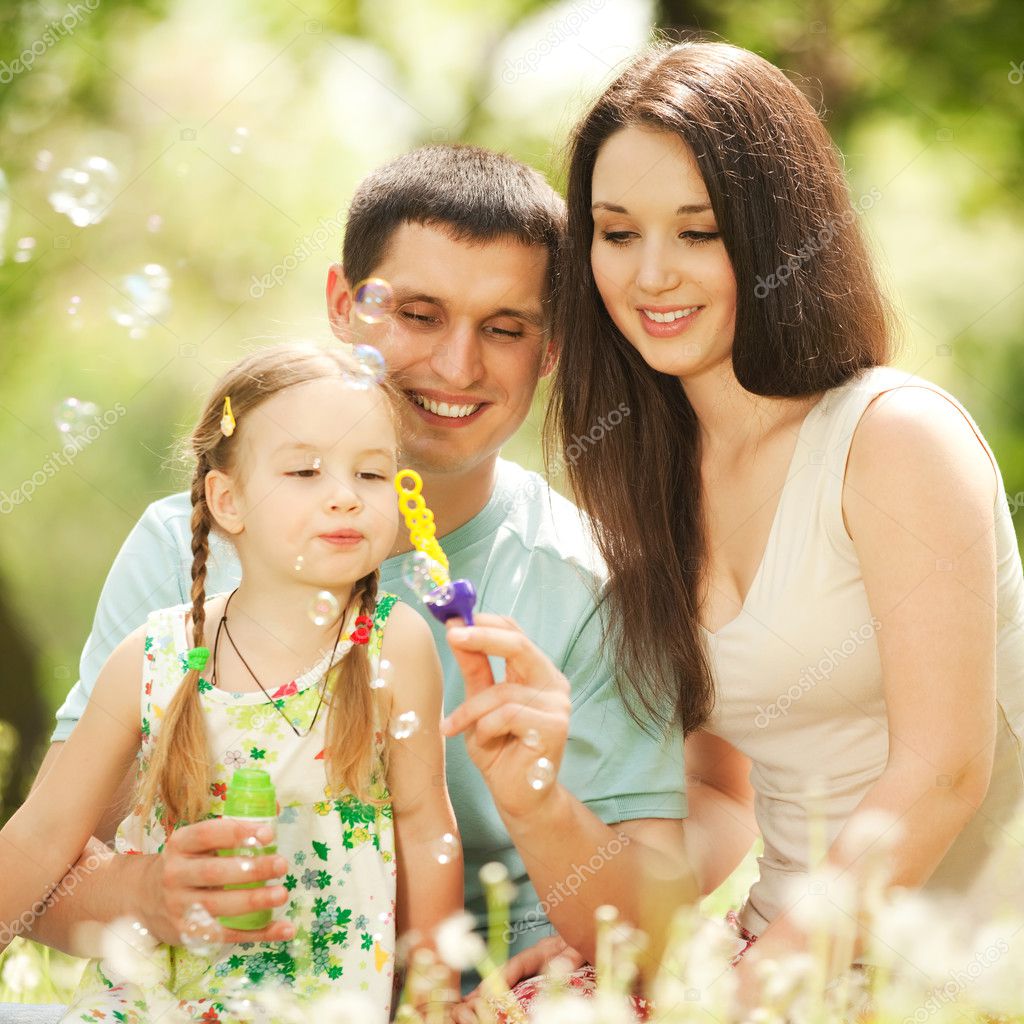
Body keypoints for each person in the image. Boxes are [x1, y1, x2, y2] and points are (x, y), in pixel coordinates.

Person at [23, 146, 691, 1000]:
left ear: (551, 346)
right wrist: (144, 893)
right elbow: (46, 865)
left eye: (504, 327)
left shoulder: (592, 582)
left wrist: (540, 809)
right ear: (345, 304)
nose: (458, 367)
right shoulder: (180, 550)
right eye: (419, 314)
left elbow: (664, 932)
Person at [548, 39, 1024, 1001]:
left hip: (959, 962)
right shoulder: (653, 478)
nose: (651, 276)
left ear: (775, 236)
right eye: (616, 231)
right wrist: (602, 938)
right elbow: (717, 783)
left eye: (699, 230)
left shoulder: (894, 439)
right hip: (775, 949)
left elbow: (943, 773)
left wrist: (753, 994)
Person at [1, 343, 463, 1022]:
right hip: (149, 1006)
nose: (345, 496)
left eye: (371, 474)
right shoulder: (152, 658)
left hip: (321, 1006)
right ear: (228, 499)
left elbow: (427, 831)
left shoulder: (394, 645)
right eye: (305, 470)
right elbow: (39, 841)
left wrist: (434, 1000)